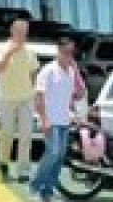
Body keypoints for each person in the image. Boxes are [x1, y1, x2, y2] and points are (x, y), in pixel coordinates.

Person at [30, 36, 85, 202]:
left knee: (60, 156)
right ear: (59, 52)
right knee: (52, 153)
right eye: (66, 52)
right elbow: (38, 97)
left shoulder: (70, 72)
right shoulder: (48, 70)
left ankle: (48, 190)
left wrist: (76, 72)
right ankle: (36, 186)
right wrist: (44, 119)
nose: (69, 56)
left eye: (72, 53)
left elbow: (79, 94)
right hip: (50, 120)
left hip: (64, 121)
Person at [0, 18, 39, 181]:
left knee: (26, 135)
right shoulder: (0, 48)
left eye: (24, 33)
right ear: (12, 31)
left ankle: (23, 170)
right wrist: (10, 52)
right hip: (7, 98)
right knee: (7, 134)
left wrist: (34, 94)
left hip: (26, 98)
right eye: (19, 32)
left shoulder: (30, 52)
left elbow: (33, 74)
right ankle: (3, 161)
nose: (22, 36)